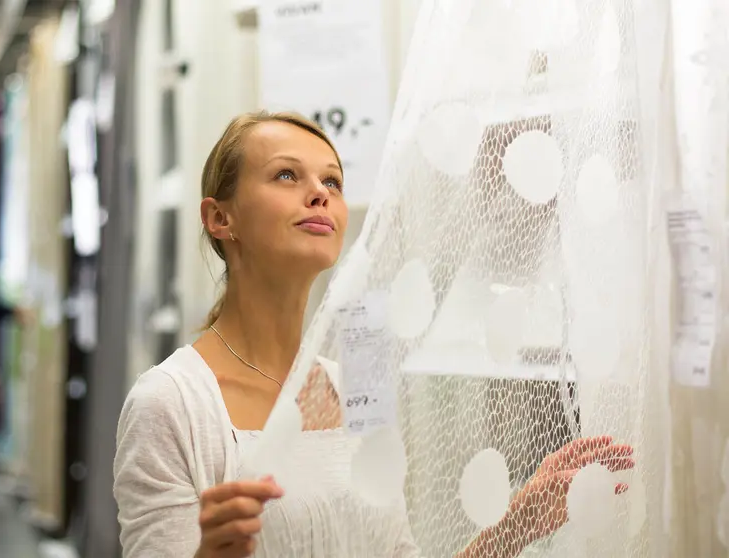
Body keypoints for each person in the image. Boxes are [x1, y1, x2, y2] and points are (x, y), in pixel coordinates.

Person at [112, 112, 637, 557]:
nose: (319, 193)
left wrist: (518, 524)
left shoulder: (359, 387)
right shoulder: (169, 403)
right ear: (220, 217)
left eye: (333, 182)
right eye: (287, 176)